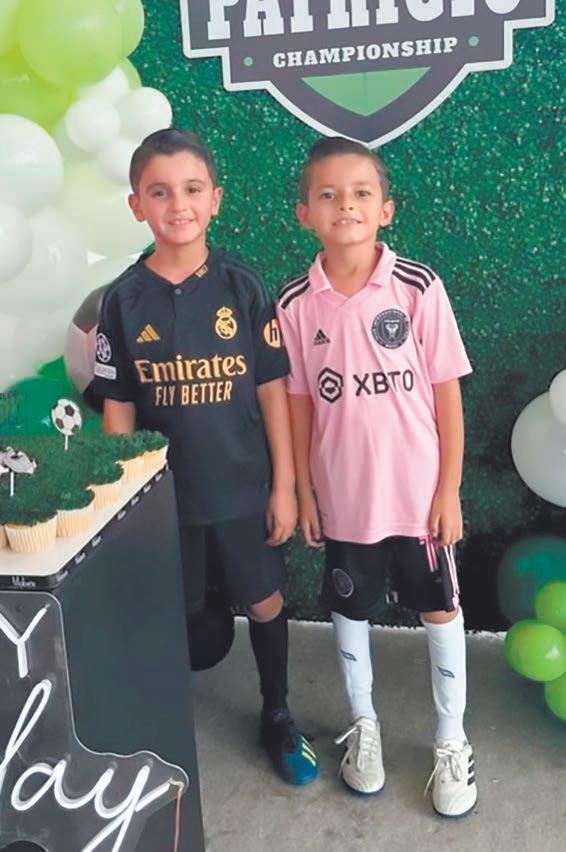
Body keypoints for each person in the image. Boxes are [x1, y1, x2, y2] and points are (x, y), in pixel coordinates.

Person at [92, 128, 318, 787]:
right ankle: (162, 722)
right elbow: (118, 408)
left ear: (215, 199)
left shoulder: (242, 285)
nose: (178, 205)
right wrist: (122, 504)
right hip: (164, 498)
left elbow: (273, 390)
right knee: (177, 614)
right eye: (159, 192)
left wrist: (284, 486)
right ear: (136, 205)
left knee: (265, 600)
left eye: (192, 190)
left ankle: (277, 712)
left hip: (244, 487)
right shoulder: (122, 300)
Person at [276, 136, 476, 817]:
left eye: (361, 193)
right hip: (345, 500)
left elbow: (446, 392)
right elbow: (299, 403)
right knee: (350, 609)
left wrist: (447, 489)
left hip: (419, 498)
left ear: (386, 210)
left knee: (439, 609)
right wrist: (306, 490)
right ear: (304, 213)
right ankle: (364, 728)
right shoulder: (295, 303)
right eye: (328, 195)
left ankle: (451, 738)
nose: (346, 206)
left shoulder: (418, 287)